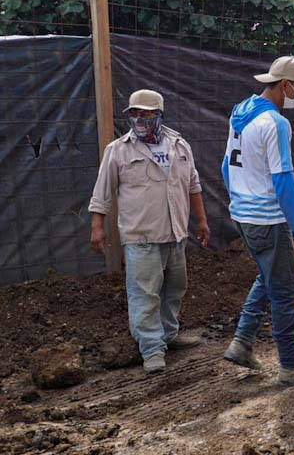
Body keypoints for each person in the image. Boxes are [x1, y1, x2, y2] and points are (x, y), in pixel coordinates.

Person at [220, 56, 294, 385]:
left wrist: (239, 200)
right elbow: (284, 183)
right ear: (284, 85)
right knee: (285, 293)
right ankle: (292, 365)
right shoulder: (275, 124)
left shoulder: (240, 113)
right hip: (268, 220)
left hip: (243, 216)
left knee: (268, 275)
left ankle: (242, 342)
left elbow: (226, 167)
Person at [89, 89, 209, 374]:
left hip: (176, 233)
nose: (140, 119)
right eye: (135, 114)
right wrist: (97, 227)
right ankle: (152, 349)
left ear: (159, 115)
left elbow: (193, 186)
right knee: (145, 294)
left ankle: (168, 335)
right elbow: (102, 192)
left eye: (146, 114)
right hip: (141, 236)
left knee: (174, 289)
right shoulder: (117, 150)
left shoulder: (179, 145)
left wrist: (201, 220)